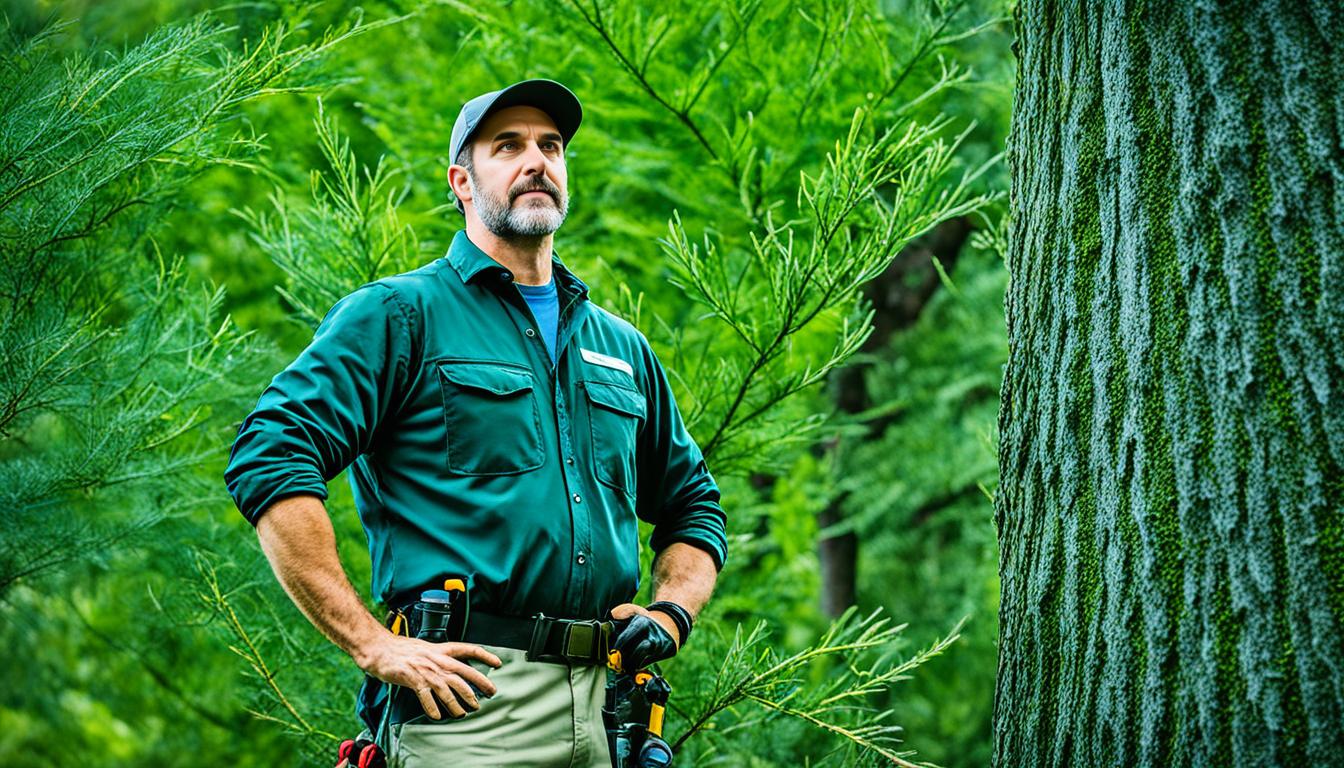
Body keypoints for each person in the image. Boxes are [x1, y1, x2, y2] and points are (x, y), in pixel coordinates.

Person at [223, 78, 728, 767]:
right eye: (508, 146)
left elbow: (694, 504)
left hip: (608, 710)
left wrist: (671, 612)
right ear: (462, 180)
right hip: (470, 707)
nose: (537, 162)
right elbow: (271, 454)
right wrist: (372, 643)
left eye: (551, 146)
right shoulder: (401, 315)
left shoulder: (619, 348)